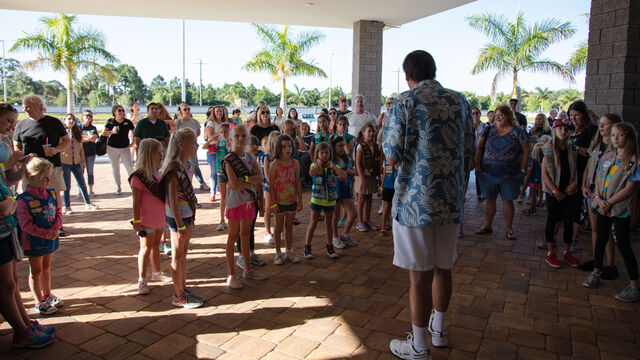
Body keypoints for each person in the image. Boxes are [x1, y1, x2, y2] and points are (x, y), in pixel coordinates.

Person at [385, 50, 475, 359]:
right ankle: (440, 330)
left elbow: (392, 154)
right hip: (450, 201)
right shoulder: (460, 101)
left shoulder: (405, 101)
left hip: (414, 203)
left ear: (407, 74)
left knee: (418, 275)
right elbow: (470, 153)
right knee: (443, 267)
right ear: (433, 71)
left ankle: (419, 345)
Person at [0, 103, 55, 348]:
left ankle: (25, 323)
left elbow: (10, 178)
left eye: (14, 121)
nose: (13, 126)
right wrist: (6, 165)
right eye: (8, 121)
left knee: (12, 280)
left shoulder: (5, 142)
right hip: (5, 211)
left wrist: (19, 165)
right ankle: (21, 331)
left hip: (6, 213)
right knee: (6, 284)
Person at [583, 122, 640, 303]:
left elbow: (630, 188)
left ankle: (634, 285)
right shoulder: (608, 156)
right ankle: (596, 271)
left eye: (620, 135)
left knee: (623, 243)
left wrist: (608, 202)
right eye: (613, 135)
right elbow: (599, 178)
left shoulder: (634, 162)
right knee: (601, 238)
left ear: (629, 138)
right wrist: (599, 199)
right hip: (603, 205)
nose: (615, 138)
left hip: (620, 209)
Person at [14, 95, 70, 236]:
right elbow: (17, 145)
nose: (24, 109)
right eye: (23, 106)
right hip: (30, 169)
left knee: (54, 194)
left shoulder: (54, 122)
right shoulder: (21, 125)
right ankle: (33, 225)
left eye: (27, 106)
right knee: (29, 195)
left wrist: (56, 149)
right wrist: (21, 156)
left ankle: (58, 224)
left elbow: (66, 140)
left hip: (51, 167)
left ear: (38, 106)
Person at [475, 104, 531, 239]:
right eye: (496, 114)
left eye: (502, 114)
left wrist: (523, 169)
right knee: (489, 199)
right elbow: (479, 147)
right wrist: (477, 166)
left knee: (508, 200)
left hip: (510, 174)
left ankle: (509, 229)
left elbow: (526, 151)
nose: (498, 117)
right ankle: (487, 225)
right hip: (488, 173)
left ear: (509, 116)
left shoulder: (519, 132)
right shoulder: (488, 130)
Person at [161, 128, 202, 308]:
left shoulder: (189, 165)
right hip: (177, 217)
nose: (197, 145)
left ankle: (183, 288)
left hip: (188, 214)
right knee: (177, 255)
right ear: (181, 146)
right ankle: (177, 294)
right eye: (192, 142)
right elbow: (171, 199)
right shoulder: (173, 168)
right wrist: (178, 224)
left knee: (183, 254)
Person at [222, 125, 268, 288]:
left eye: (243, 136)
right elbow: (233, 184)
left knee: (246, 234)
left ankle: (248, 270)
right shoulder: (229, 159)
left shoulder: (250, 157)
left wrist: (247, 180)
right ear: (230, 138)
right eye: (237, 136)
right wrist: (251, 179)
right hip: (235, 203)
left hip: (249, 201)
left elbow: (260, 178)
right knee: (232, 237)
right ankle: (231, 274)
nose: (240, 139)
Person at [16, 158, 63, 315]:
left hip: (50, 237)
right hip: (35, 241)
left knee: (46, 267)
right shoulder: (23, 200)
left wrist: (56, 228)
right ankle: (38, 300)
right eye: (44, 178)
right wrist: (47, 233)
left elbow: (57, 212)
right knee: (36, 271)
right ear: (31, 177)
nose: (47, 181)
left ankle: (47, 293)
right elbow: (26, 225)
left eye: (49, 177)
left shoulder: (51, 194)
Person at [579, 114, 621, 277]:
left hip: (604, 194)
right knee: (595, 228)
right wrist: (583, 185)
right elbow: (589, 167)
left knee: (605, 230)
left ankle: (610, 263)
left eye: (606, 124)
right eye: (601, 124)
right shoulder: (596, 145)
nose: (601, 127)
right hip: (591, 191)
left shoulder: (616, 148)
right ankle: (598, 260)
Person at [130, 139, 171, 295]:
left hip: (160, 217)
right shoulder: (138, 177)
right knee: (145, 248)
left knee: (156, 246)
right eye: (159, 153)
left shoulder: (158, 174)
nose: (162, 156)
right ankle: (142, 279)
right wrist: (137, 221)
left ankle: (156, 272)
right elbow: (136, 201)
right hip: (146, 218)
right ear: (149, 155)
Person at [540, 119, 580, 268]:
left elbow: (577, 170)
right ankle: (550, 252)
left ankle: (566, 251)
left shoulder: (573, 149)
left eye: (566, 129)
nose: (563, 131)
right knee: (552, 220)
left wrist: (574, 184)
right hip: (553, 192)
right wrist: (555, 190)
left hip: (569, 190)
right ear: (555, 130)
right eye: (560, 128)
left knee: (568, 221)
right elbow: (545, 174)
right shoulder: (548, 149)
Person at [304, 141, 346, 259]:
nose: (324, 155)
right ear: (317, 154)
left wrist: (333, 167)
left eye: (326, 152)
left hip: (330, 199)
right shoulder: (314, 165)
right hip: (317, 199)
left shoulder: (333, 165)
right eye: (321, 153)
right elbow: (311, 174)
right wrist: (317, 165)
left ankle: (329, 247)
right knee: (313, 222)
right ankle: (307, 246)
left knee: (329, 223)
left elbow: (343, 176)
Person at [567, 100, 598, 253]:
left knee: (577, 205)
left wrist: (576, 148)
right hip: (568, 173)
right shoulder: (570, 130)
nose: (573, 118)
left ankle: (574, 238)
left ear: (584, 115)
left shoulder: (592, 130)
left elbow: (594, 153)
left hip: (583, 173)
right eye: (571, 115)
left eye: (577, 115)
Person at [269, 134, 303, 264]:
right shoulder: (274, 165)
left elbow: (298, 182)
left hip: (291, 201)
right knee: (278, 227)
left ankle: (288, 251)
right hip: (278, 202)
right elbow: (271, 186)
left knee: (289, 226)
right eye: (284, 147)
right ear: (279, 148)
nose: (287, 149)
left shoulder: (295, 163)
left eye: (289, 146)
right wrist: (273, 204)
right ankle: (278, 253)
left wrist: (300, 200)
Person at [235, 136, 267, 269]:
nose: (255, 146)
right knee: (241, 230)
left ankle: (251, 252)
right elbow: (237, 182)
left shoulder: (254, 161)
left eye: (256, 144)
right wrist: (251, 179)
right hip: (241, 200)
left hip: (253, 199)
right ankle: (241, 255)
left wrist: (261, 203)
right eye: (251, 144)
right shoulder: (239, 162)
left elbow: (259, 180)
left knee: (251, 228)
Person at [60, 114, 99, 214]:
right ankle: (67, 206)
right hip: (65, 162)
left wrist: (83, 160)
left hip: (76, 162)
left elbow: (80, 147)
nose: (71, 121)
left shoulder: (77, 132)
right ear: (64, 121)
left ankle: (88, 203)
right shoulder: (61, 133)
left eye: (73, 119)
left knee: (82, 183)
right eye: (69, 119)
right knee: (67, 186)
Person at [330, 135, 357, 247]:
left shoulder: (346, 157)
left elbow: (351, 171)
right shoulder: (330, 160)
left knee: (353, 213)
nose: (342, 148)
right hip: (335, 189)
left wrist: (348, 172)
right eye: (340, 145)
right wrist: (346, 172)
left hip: (346, 188)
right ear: (334, 147)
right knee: (335, 215)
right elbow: (339, 175)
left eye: (343, 145)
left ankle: (345, 234)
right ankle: (335, 237)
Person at [176, 102, 209, 191]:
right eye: (185, 109)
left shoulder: (194, 122)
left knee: (194, 165)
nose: (187, 111)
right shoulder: (178, 122)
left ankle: (201, 182)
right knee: (182, 166)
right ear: (181, 112)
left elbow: (198, 132)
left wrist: (192, 142)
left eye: (188, 109)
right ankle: (184, 184)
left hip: (192, 148)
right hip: (181, 149)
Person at [355, 123, 382, 232]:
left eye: (372, 131)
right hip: (362, 177)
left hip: (372, 177)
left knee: (370, 198)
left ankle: (368, 220)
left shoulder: (376, 146)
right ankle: (360, 221)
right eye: (368, 131)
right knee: (361, 198)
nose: (371, 133)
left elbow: (378, 162)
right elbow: (358, 164)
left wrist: (379, 176)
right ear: (363, 133)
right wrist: (362, 178)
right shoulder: (360, 146)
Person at [103, 105, 136, 195]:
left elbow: (135, 132)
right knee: (115, 167)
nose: (122, 112)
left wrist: (133, 143)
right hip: (112, 148)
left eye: (122, 110)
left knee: (129, 167)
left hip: (125, 148)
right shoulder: (110, 121)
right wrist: (111, 132)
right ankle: (118, 186)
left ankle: (134, 186)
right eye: (119, 110)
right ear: (114, 112)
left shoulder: (127, 122)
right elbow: (104, 133)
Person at [261, 132, 279, 245]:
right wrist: (274, 185)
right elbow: (267, 175)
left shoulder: (281, 157)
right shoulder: (266, 157)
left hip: (280, 187)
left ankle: (279, 230)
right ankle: (268, 232)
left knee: (278, 210)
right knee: (268, 209)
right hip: (269, 187)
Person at [214, 124, 231, 231]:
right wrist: (212, 139)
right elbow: (204, 147)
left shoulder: (232, 143)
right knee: (223, 196)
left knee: (232, 195)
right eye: (221, 132)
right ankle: (221, 220)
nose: (224, 134)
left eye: (225, 131)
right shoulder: (219, 144)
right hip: (221, 172)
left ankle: (231, 218)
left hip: (231, 173)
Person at [520, 136, 542, 215]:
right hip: (538, 179)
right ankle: (533, 208)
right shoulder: (541, 160)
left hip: (533, 179)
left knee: (533, 194)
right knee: (534, 194)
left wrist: (527, 178)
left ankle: (532, 209)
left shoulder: (534, 160)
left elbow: (530, 171)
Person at [80, 110, 98, 196]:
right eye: (86, 115)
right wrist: (88, 138)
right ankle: (80, 190)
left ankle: (91, 189)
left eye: (90, 116)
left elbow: (94, 138)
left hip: (91, 152)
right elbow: (78, 138)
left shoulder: (93, 128)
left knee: (90, 171)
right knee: (80, 172)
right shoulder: (78, 127)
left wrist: (85, 138)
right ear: (82, 116)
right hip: (80, 152)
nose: (88, 117)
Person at [380, 141, 397, 236]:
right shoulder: (387, 161)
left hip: (396, 186)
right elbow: (385, 174)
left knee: (393, 206)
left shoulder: (399, 160)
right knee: (386, 206)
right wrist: (382, 187)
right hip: (388, 186)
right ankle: (383, 226)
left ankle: (390, 224)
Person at [472, 108, 486, 201]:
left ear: (480, 114)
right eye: (473, 113)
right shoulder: (468, 126)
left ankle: (479, 193)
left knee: (479, 172)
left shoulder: (485, 126)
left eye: (477, 113)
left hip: (480, 153)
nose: (475, 115)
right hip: (470, 153)